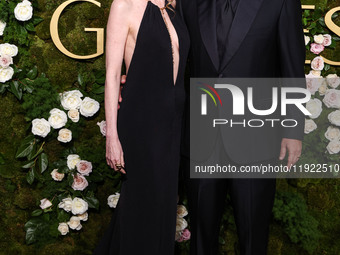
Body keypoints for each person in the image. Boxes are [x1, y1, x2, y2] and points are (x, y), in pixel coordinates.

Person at [176, 0, 306, 254]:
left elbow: (292, 69)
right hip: (202, 139)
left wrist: (292, 130)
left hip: (256, 138)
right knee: (201, 240)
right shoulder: (188, 2)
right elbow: (175, 59)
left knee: (254, 237)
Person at [93, 0, 190, 254]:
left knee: (163, 209)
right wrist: (112, 137)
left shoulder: (174, 6)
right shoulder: (123, 5)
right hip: (142, 123)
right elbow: (113, 75)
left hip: (173, 123)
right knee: (143, 206)